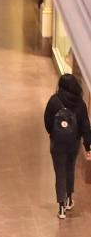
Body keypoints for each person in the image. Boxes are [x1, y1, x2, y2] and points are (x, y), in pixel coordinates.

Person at [43, 72, 91, 218]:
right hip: (73, 143)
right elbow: (85, 126)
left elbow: (47, 120)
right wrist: (87, 145)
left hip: (57, 143)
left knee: (60, 173)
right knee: (70, 169)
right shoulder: (80, 103)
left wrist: (53, 133)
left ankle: (62, 207)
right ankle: (70, 198)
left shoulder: (54, 101)